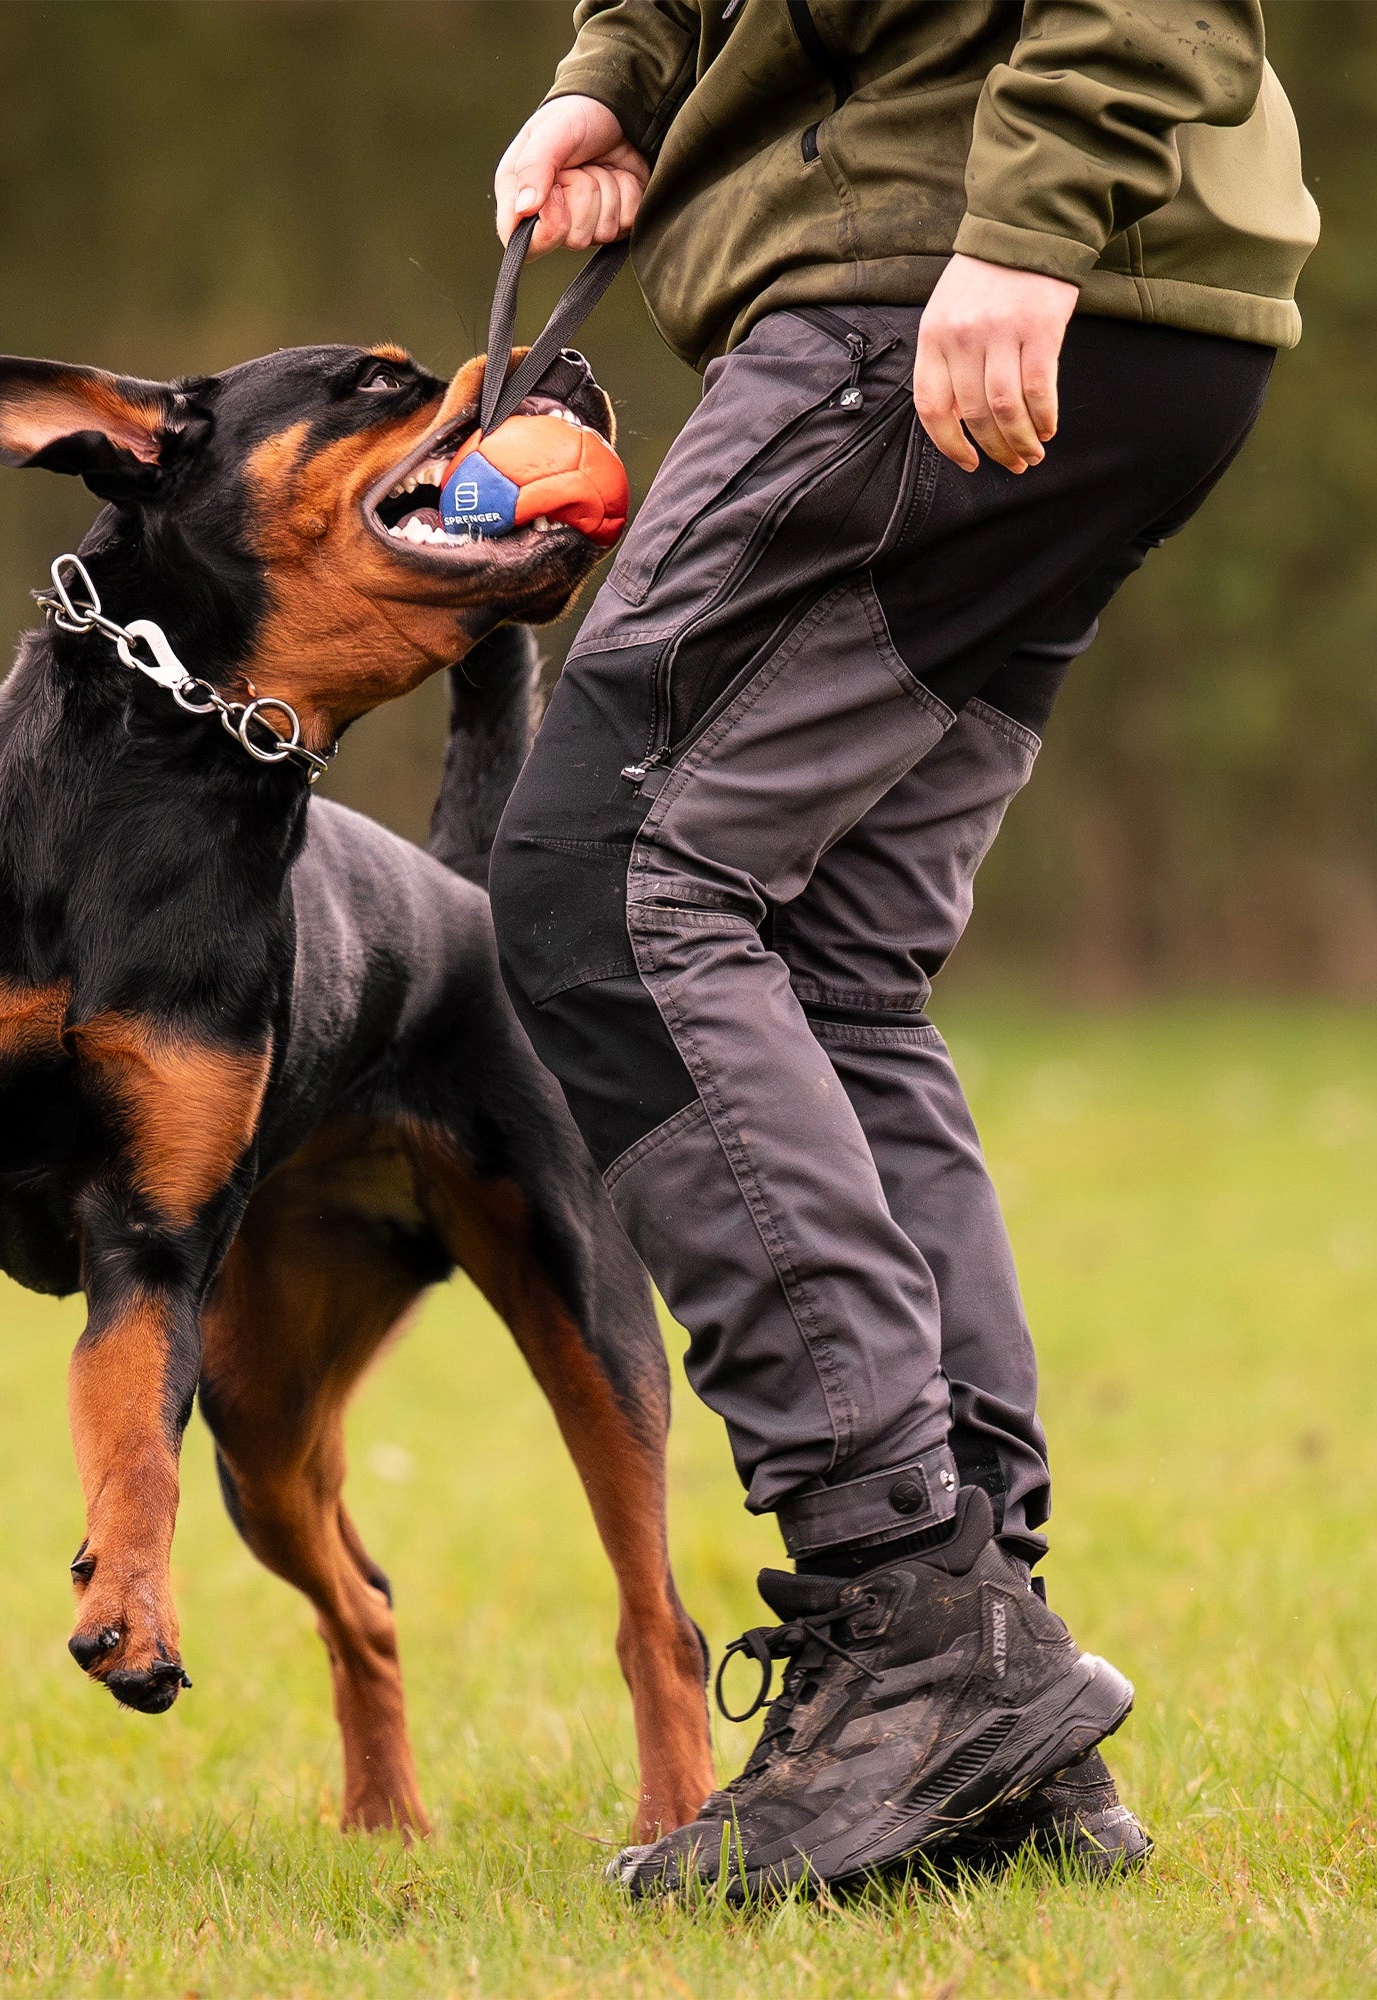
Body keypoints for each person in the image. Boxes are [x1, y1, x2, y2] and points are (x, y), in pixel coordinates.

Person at [485, 0, 1317, 1897]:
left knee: (611, 885)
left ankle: (904, 1611)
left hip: (960, 276)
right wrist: (619, 78)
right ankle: (989, 1680)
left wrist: (1025, 226)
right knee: (825, 953)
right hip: (1069, 292)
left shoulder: (1006, 223)